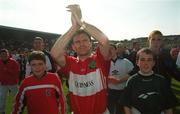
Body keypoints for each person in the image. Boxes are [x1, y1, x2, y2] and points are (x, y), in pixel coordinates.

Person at [51, 4, 110, 114]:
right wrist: (74, 28)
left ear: (91, 43)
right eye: (77, 42)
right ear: (73, 47)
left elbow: (104, 41)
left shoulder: (100, 59)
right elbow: (54, 53)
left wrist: (81, 21)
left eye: (85, 40)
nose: (81, 44)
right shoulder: (70, 63)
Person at [121, 48, 179, 114]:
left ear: (154, 63)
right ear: (137, 62)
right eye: (142, 60)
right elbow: (126, 104)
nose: (146, 63)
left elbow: (168, 105)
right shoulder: (132, 81)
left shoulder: (161, 80)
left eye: (149, 60)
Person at [107, 44, 134, 114]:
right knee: (111, 111)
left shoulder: (125, 61)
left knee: (122, 111)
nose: (109, 50)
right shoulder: (105, 63)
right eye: (108, 49)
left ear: (116, 50)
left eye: (112, 48)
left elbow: (133, 72)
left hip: (123, 92)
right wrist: (108, 79)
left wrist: (120, 80)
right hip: (110, 92)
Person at [0, 49, 20, 114]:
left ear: (8, 54)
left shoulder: (13, 62)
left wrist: (8, 70)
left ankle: (18, 110)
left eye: (5, 54)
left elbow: (17, 72)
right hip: (3, 83)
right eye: (2, 54)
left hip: (13, 83)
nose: (4, 55)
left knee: (17, 97)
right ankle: (2, 111)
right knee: (2, 98)